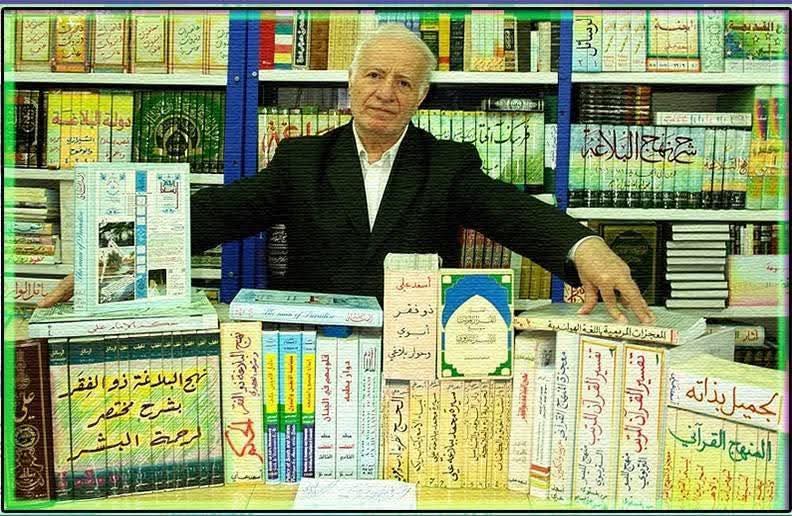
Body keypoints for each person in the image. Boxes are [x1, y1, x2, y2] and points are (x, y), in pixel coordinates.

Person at [39, 24, 654, 325]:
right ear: (350, 82)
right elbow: (216, 214)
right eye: (374, 75)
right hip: (310, 347)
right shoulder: (302, 160)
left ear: (420, 98)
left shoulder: (449, 165)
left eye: (404, 82)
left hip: (411, 352)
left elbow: (513, 213)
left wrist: (586, 246)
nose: (386, 92)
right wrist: (113, 258)